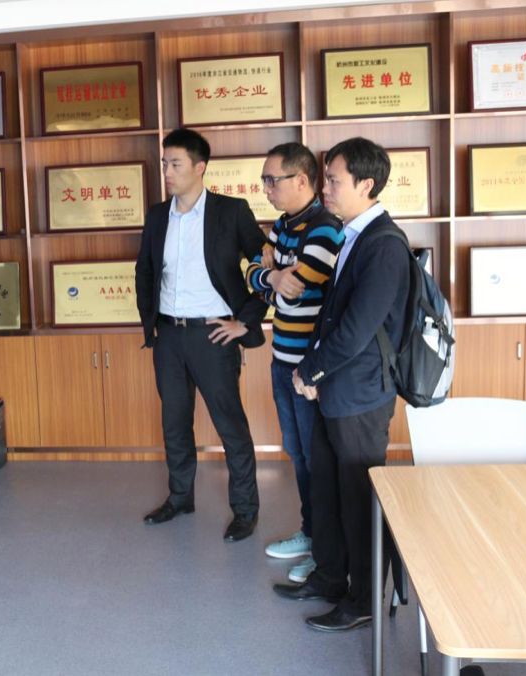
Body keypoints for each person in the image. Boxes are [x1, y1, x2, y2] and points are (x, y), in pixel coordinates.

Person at [272, 138, 410, 632]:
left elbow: (356, 328)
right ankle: (330, 578)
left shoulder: (384, 244)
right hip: (335, 389)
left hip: (360, 394)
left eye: (333, 179)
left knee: (359, 500)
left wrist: (310, 371)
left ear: (366, 184)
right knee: (328, 489)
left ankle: (365, 599)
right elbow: (331, 317)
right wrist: (316, 372)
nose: (325, 188)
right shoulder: (353, 234)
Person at [135, 128, 268, 541]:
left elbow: (267, 268)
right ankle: (180, 497)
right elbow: (145, 271)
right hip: (169, 336)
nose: (167, 172)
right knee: (174, 422)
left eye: (175, 164)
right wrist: (150, 323)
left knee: (230, 425)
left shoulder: (231, 212)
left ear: (199, 167)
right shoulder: (158, 216)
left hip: (213, 335)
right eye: (164, 164)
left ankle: (245, 510)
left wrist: (246, 322)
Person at [246, 143, 344, 584]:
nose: (266, 189)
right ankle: (312, 533)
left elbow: (292, 293)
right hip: (282, 360)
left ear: (301, 180)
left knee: (316, 460)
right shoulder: (283, 226)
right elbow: (254, 277)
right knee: (299, 455)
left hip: (310, 369)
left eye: (272, 180)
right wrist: (270, 274)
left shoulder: (324, 229)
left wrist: (270, 278)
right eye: (264, 180)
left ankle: (326, 548)